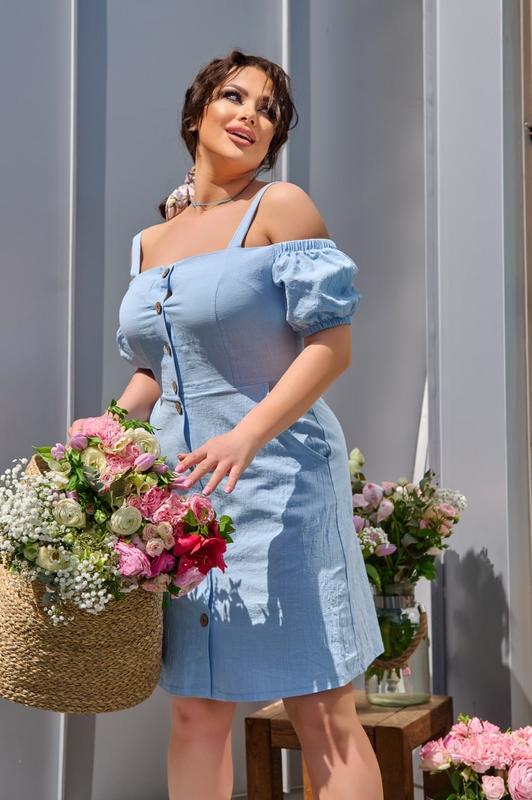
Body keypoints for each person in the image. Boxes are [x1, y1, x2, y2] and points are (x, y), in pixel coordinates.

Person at [69, 49, 384, 800]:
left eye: (268, 110)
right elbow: (157, 371)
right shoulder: (151, 241)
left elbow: (331, 345)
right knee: (197, 710)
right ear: (198, 112)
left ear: (275, 138)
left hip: (282, 479)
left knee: (321, 708)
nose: (250, 115)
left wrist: (248, 434)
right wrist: (101, 435)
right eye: (234, 97)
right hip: (182, 499)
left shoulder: (280, 208)